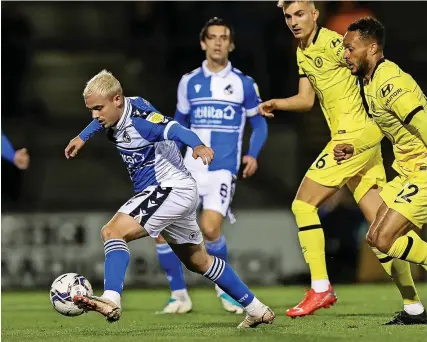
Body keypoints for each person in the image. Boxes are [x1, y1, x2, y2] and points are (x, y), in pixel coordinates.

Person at [64, 70, 275, 328]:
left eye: (98, 109)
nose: (95, 116)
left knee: (112, 232)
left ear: (118, 99)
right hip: (177, 192)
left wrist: (197, 145)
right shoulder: (122, 108)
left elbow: (174, 128)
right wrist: (82, 136)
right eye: (91, 110)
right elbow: (102, 118)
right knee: (199, 261)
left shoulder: (141, 121)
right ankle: (256, 308)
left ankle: (111, 299)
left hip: (169, 189)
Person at [258, 1, 424, 323]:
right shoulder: (301, 51)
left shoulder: (335, 44)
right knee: (381, 236)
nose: (294, 21)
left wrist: (367, 124)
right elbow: (307, 100)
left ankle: (320, 286)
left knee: (302, 205)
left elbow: (364, 64)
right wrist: (278, 103)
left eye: (300, 14)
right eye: (288, 16)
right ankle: (414, 307)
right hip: (358, 144)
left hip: (352, 139)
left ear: (315, 14)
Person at [154, 17, 268, 314]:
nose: (218, 42)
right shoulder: (189, 81)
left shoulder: (244, 83)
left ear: (231, 44)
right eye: (213, 37)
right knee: (160, 227)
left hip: (222, 168)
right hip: (189, 169)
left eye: (224, 37)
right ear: (203, 43)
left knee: (209, 227)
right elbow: (179, 126)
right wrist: (169, 162)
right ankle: (179, 296)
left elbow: (260, 125)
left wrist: (253, 154)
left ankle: (225, 289)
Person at [335, 16, 427, 325]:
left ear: (372, 47)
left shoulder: (390, 83)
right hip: (407, 171)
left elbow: (424, 124)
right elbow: (381, 125)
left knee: (384, 239)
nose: (345, 54)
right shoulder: (371, 80)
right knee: (376, 239)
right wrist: (355, 145)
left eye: (350, 48)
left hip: (424, 171)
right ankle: (414, 308)